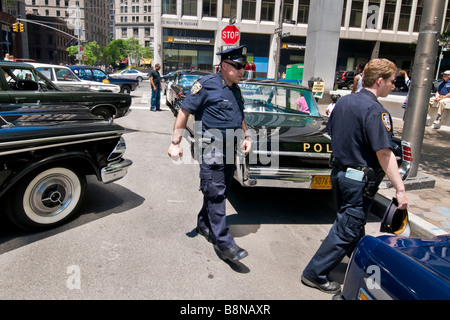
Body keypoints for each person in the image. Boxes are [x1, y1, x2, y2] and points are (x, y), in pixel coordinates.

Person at [301, 58, 408, 294]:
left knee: (351, 224)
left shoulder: (343, 102)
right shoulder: (376, 111)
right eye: (391, 81)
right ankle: (314, 273)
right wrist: (400, 188)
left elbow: (333, 134)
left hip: (340, 174)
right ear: (380, 81)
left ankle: (363, 265)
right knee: (347, 228)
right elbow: (383, 152)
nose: (393, 85)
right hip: (358, 180)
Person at [167, 45, 252, 262]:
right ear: (224, 65)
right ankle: (225, 243)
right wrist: (175, 142)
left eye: (244, 66)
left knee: (217, 191)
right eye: (238, 66)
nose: (243, 70)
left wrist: (247, 137)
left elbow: (239, 116)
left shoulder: (235, 89)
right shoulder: (205, 86)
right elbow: (184, 111)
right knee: (216, 194)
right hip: (211, 149)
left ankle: (204, 224)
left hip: (230, 149)